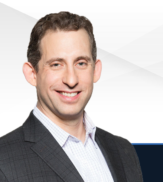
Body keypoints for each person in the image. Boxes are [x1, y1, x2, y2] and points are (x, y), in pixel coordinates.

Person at [0, 11, 143, 182]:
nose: (71, 79)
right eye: (56, 64)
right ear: (32, 74)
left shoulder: (123, 151)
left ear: (95, 70)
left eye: (81, 63)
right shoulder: (4, 160)